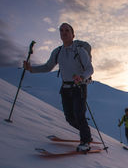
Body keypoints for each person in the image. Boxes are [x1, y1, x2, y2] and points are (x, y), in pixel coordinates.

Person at [23, 23, 94, 151]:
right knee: (70, 118)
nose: (64, 33)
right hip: (65, 88)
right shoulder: (57, 52)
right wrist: (31, 69)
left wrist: (82, 77)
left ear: (73, 34)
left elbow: (90, 68)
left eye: (67, 30)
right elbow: (47, 67)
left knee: (79, 115)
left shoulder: (80, 50)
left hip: (79, 86)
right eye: (61, 30)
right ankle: (87, 135)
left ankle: (85, 141)